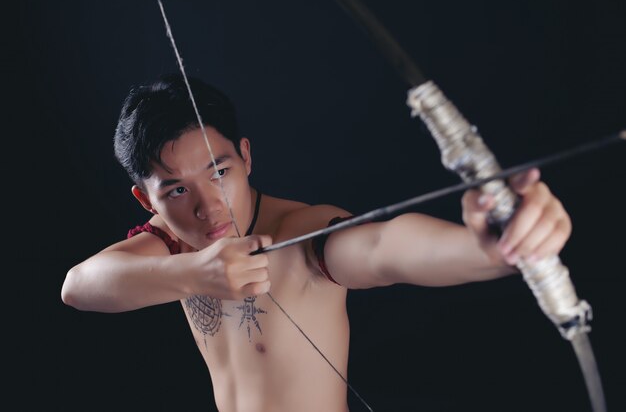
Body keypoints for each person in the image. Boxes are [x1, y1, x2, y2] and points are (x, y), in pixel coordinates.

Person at [61, 74, 571, 412]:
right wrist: (193, 272)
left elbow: (383, 249)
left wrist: (492, 247)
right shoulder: (173, 244)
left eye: (219, 172)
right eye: (176, 189)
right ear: (145, 200)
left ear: (246, 157)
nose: (207, 206)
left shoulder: (305, 233)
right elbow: (79, 285)